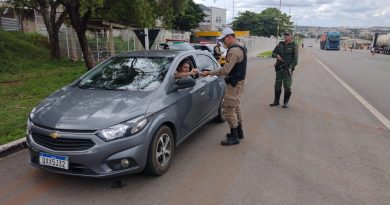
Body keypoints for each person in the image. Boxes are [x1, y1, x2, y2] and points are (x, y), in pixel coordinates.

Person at [201, 28, 247, 146]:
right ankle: (239, 131)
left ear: (229, 37)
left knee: (228, 110)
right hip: (238, 83)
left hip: (234, 84)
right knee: (236, 107)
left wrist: (209, 73)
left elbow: (226, 69)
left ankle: (234, 136)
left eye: (223, 40)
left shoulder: (234, 51)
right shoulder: (240, 47)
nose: (222, 43)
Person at [269, 31, 298, 108]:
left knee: (287, 86)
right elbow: (273, 53)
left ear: (291, 36)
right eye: (284, 34)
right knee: (277, 85)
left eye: (287, 35)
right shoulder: (280, 44)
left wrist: (290, 67)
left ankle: (285, 102)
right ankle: (276, 101)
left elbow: (295, 60)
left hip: (287, 69)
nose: (285, 36)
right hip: (279, 68)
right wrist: (277, 56)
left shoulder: (294, 45)